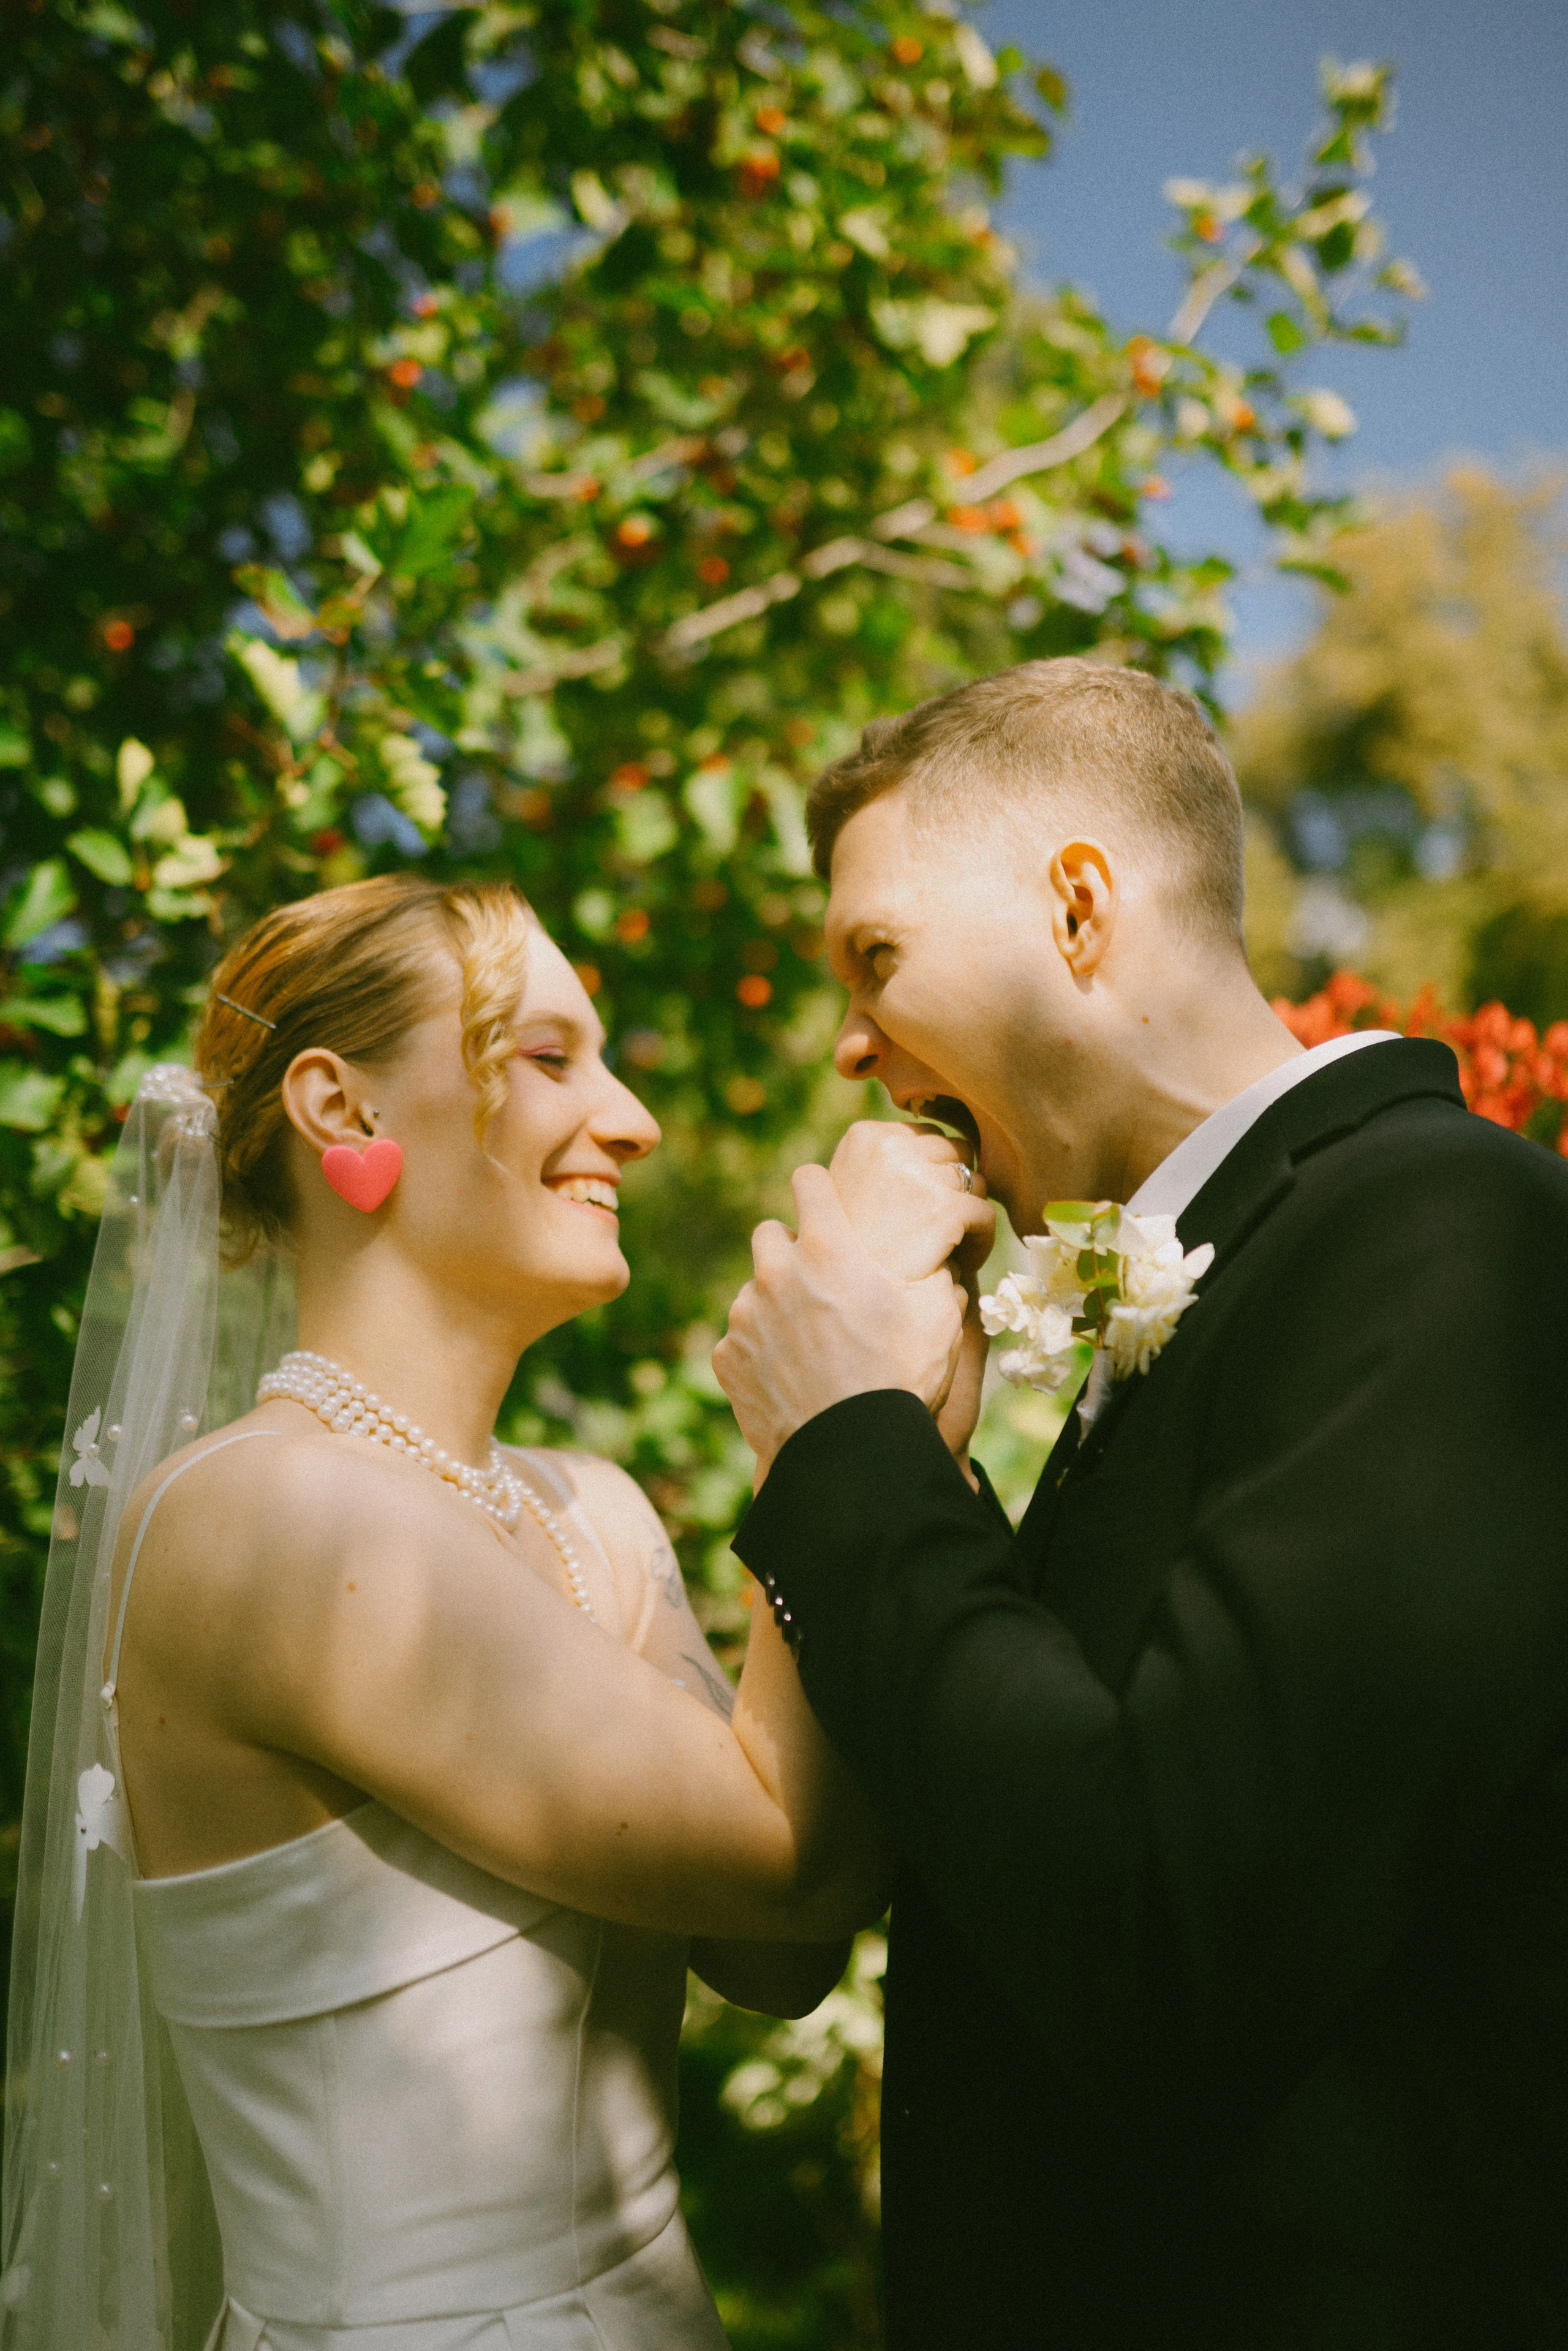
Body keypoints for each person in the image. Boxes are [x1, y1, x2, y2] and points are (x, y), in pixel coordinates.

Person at [0, 875, 984, 2351]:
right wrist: (837, 1415)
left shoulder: (593, 1510)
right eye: (546, 1055)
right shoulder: (260, 1517)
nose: (631, 1120)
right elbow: (789, 1870)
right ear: (342, 1109)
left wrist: (904, 1429)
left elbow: (773, 1960)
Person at [715, 657, 1568, 2350]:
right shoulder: (1238, 1274)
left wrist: (849, 1442)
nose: (849, 1043)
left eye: (875, 956)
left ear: (1079, 908)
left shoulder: (1446, 1229)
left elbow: (1163, 1934)